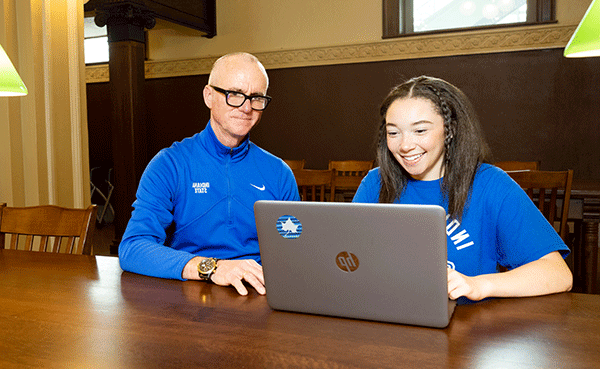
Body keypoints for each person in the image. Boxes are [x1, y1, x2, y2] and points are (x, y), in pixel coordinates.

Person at [353, 75, 573, 303]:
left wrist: (478, 284)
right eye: (393, 132)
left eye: (420, 131)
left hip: (469, 328)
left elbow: (558, 274)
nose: (405, 145)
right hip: (389, 320)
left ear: (450, 130)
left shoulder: (490, 185)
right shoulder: (375, 182)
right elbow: (346, 260)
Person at [119, 52, 300, 296]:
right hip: (191, 295)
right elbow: (133, 248)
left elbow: (296, 250)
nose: (246, 107)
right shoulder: (170, 164)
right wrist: (212, 268)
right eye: (234, 94)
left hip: (259, 295)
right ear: (209, 96)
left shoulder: (279, 173)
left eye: (256, 97)